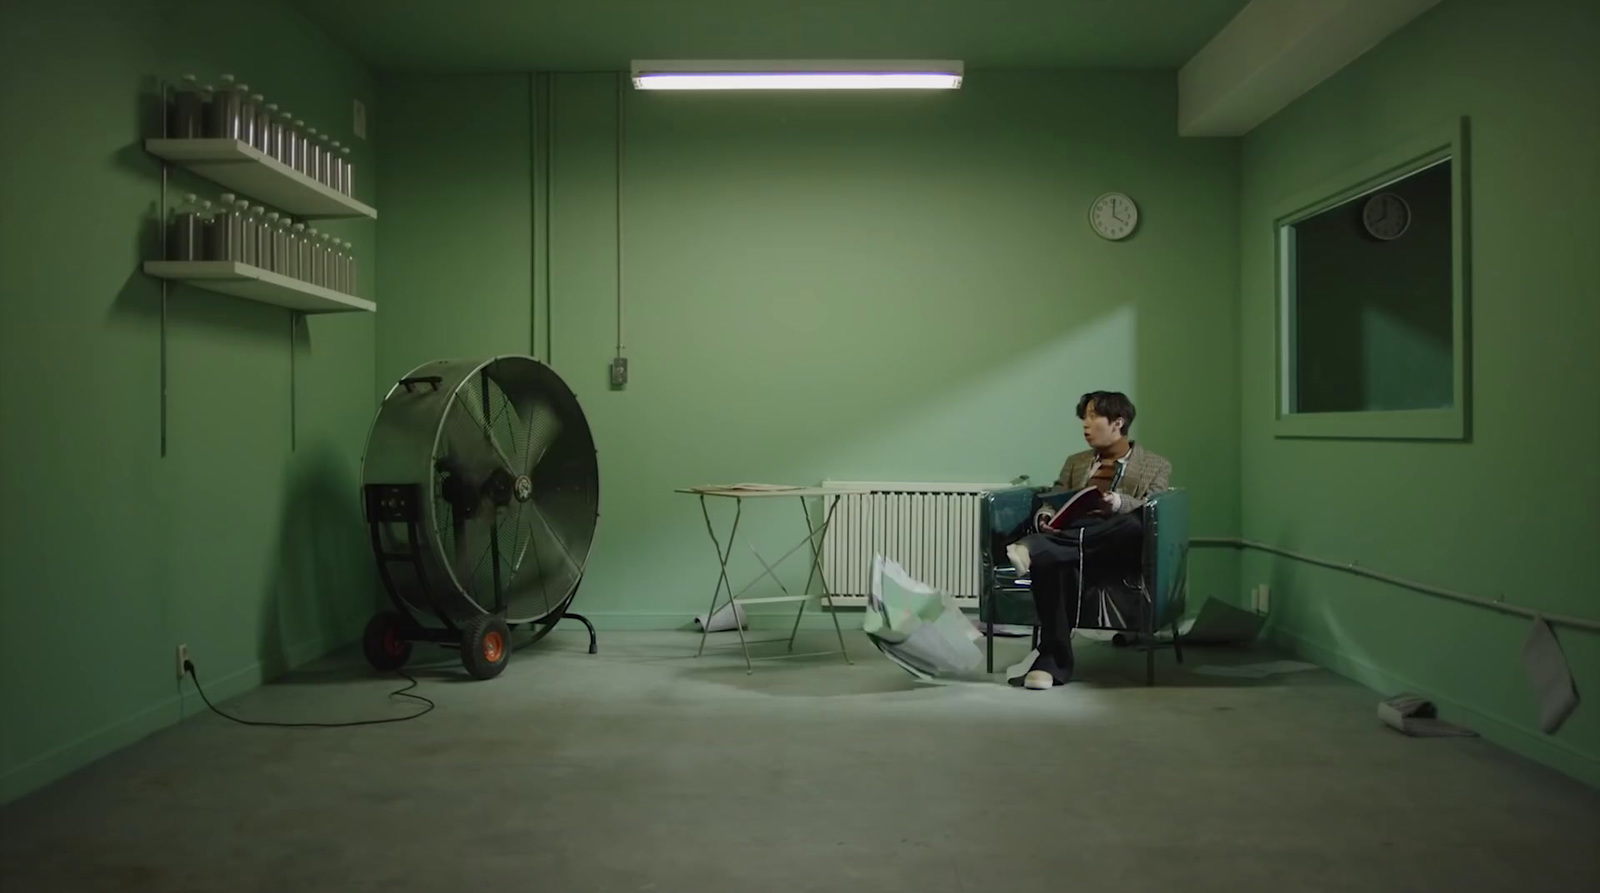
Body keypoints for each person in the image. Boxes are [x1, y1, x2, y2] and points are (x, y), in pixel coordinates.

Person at [1003, 391, 1171, 690]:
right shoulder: (1075, 463)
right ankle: (1052, 665)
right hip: (1072, 538)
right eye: (1084, 417)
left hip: (1117, 544)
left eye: (1094, 417)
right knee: (1052, 561)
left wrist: (1116, 504)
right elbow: (1052, 499)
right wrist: (1045, 517)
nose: (1086, 424)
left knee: (1133, 523)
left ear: (1118, 422)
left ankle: (1033, 546)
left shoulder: (1156, 465)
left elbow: (1154, 508)